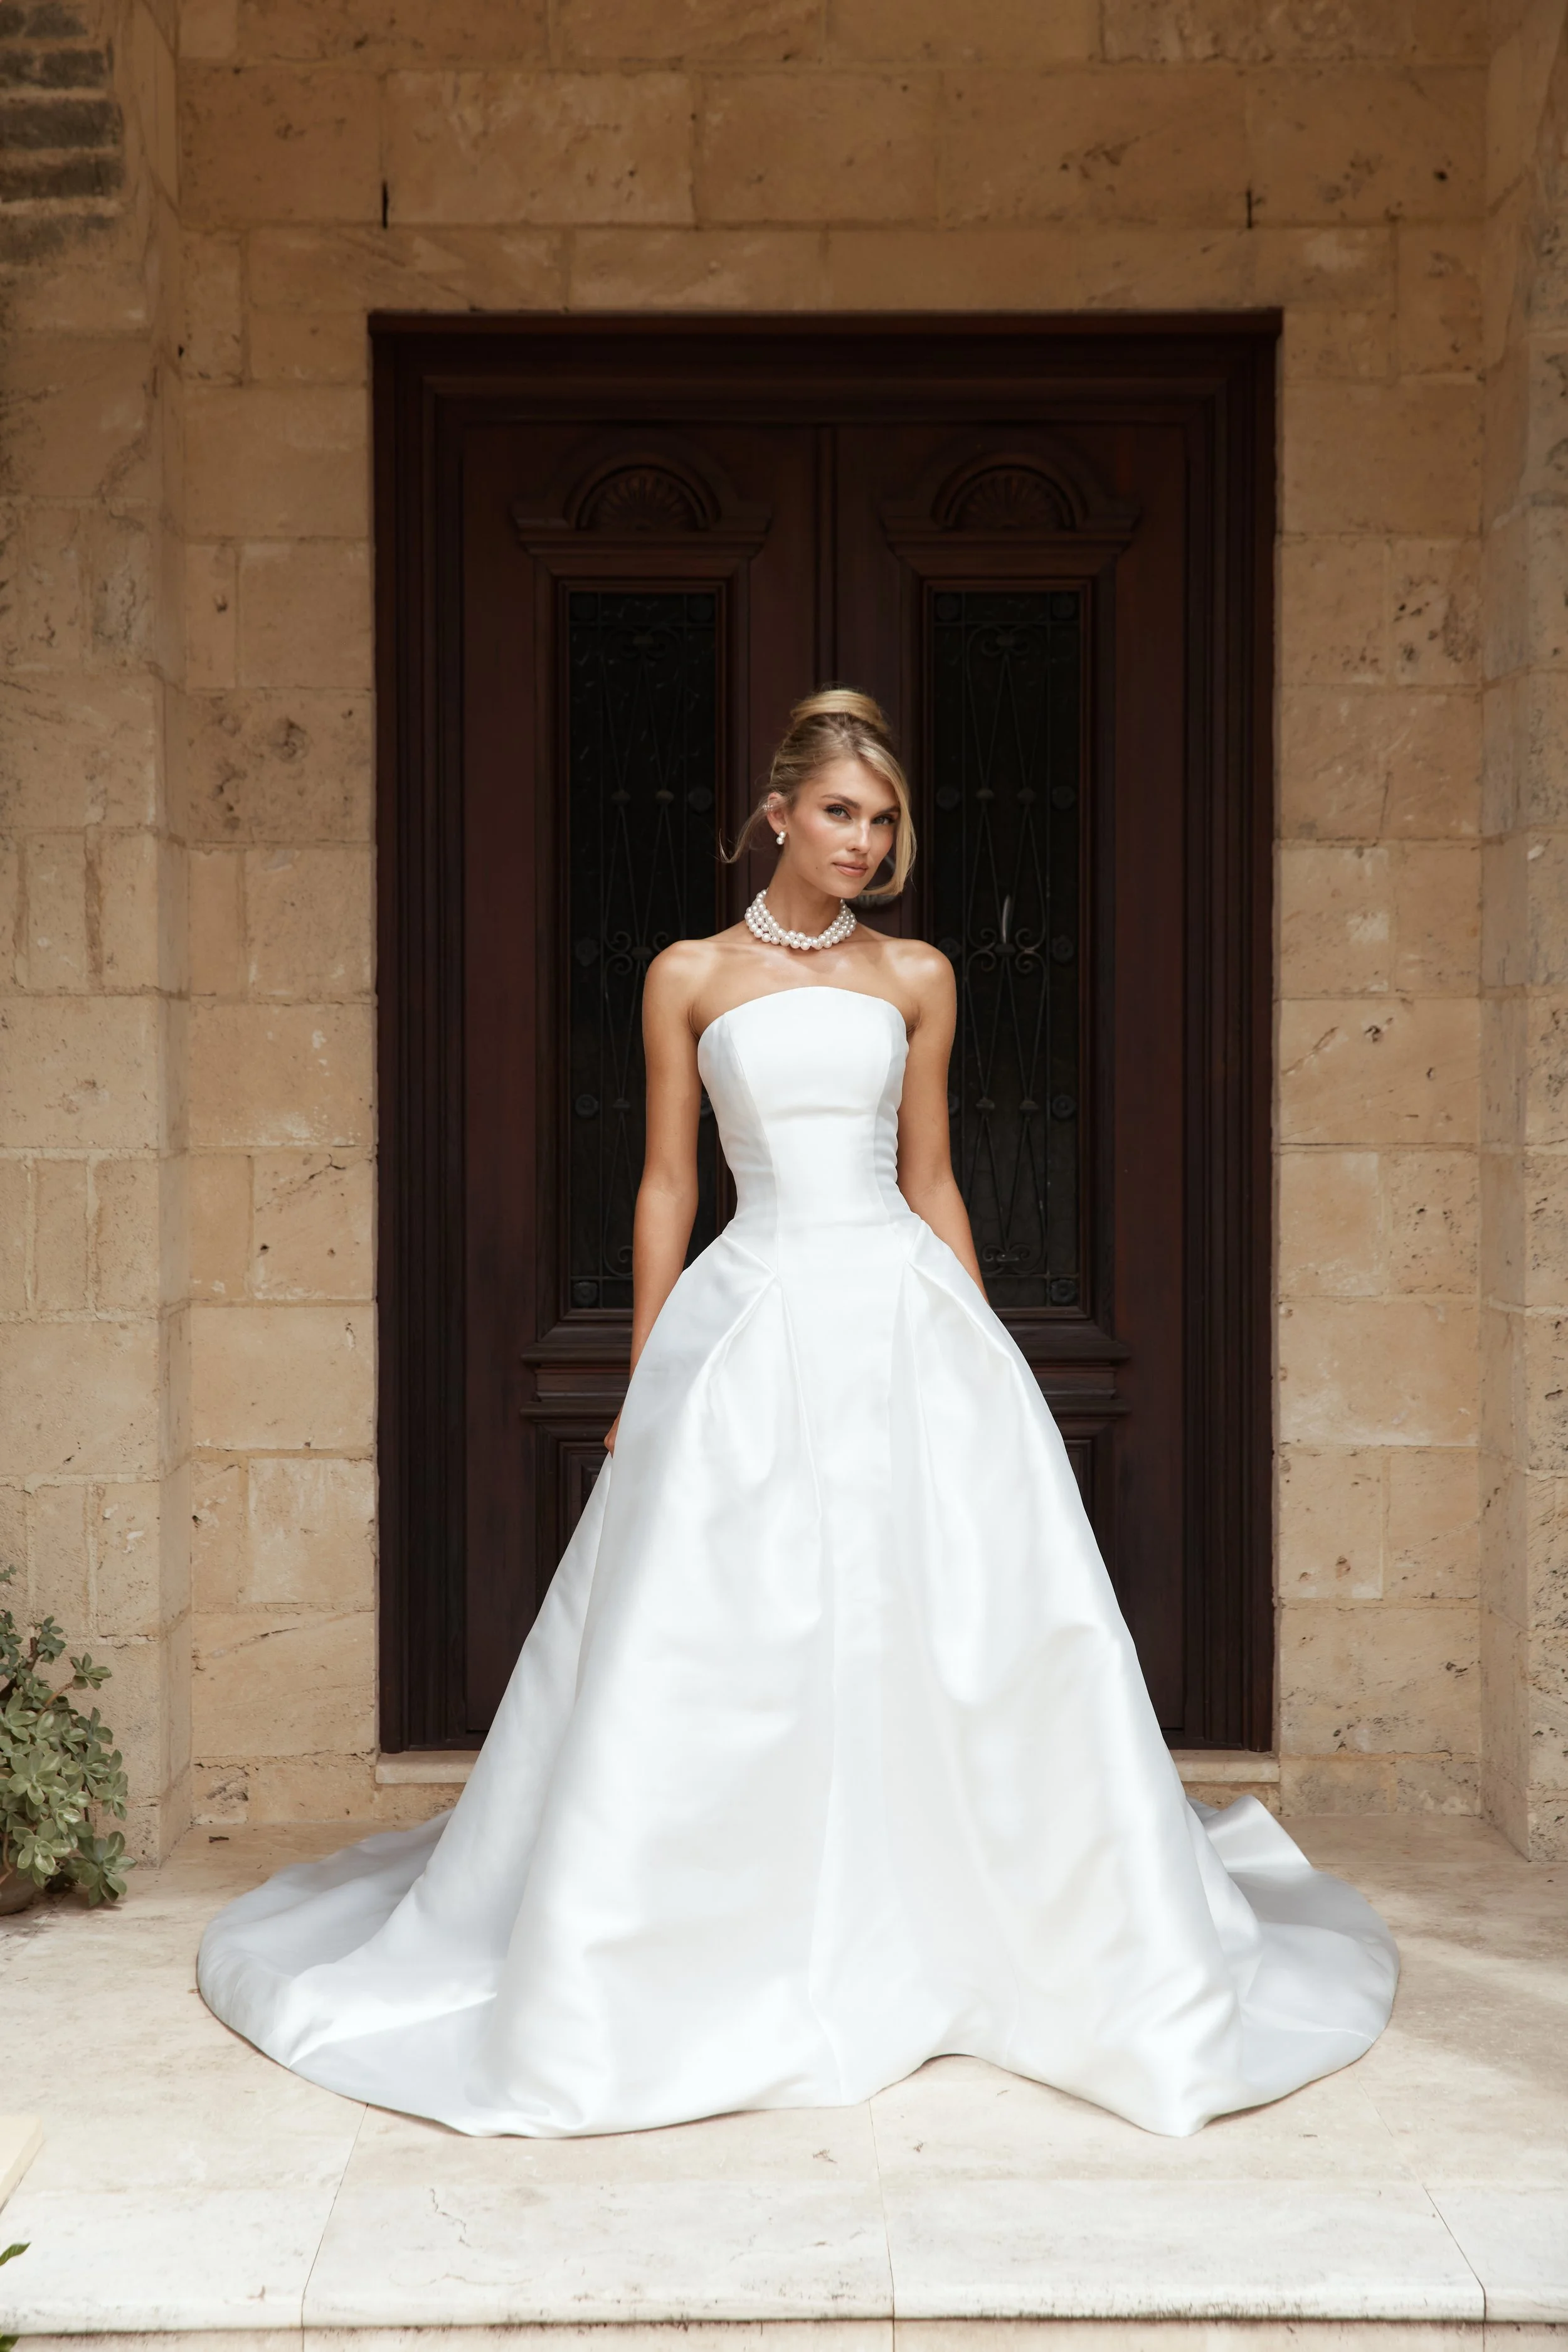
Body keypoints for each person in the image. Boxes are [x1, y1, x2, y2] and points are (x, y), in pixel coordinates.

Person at [198, 687, 1397, 2139]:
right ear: (777, 812)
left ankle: (972, 1925)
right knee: (722, 1625)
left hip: (897, 1307)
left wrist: (983, 1343)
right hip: (751, 1309)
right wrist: (647, 1373)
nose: (862, 840)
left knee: (947, 1615)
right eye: (839, 810)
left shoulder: (918, 977)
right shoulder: (686, 974)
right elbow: (661, 1184)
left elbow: (934, 1173)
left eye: (882, 818)